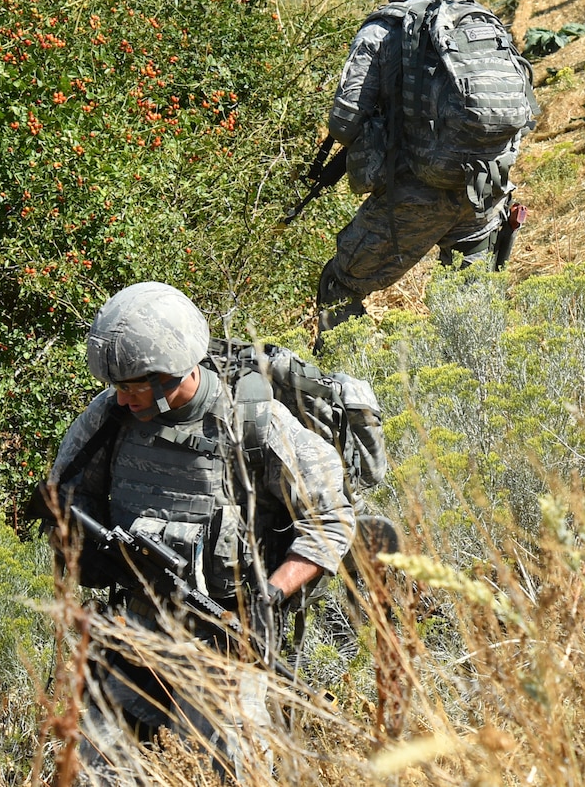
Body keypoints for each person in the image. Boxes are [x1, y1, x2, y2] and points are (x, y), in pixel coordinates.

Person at [49, 281, 356, 778]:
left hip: (226, 640)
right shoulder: (109, 419)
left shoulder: (254, 424)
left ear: (174, 373)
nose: (123, 399)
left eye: (134, 387)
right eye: (118, 387)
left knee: (232, 770)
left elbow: (331, 522)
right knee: (94, 769)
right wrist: (86, 550)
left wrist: (269, 597)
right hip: (136, 630)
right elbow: (63, 498)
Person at [314, 0, 532, 335]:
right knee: (472, 307)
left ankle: (354, 392)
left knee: (339, 286)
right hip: (485, 190)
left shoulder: (383, 29)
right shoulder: (482, 20)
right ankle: (479, 387)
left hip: (413, 197)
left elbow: (343, 123)